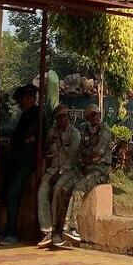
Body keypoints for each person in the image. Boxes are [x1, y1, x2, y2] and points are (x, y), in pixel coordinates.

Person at [54, 104, 114, 244]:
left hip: (100, 170)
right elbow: (81, 153)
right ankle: (60, 230)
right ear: (87, 118)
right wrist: (88, 156)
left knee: (79, 188)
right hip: (85, 168)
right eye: (91, 115)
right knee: (65, 188)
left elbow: (98, 153)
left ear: (99, 115)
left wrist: (89, 155)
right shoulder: (86, 130)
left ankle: (72, 227)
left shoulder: (104, 129)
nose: (94, 117)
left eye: (96, 114)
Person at [0, 84, 41, 246]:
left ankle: (11, 233)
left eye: (25, 99)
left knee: (13, 192)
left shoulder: (37, 114)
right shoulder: (25, 115)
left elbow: (25, 136)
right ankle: (6, 230)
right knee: (6, 192)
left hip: (27, 161)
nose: (23, 103)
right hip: (17, 159)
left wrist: (22, 140)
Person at [37, 104, 80, 247]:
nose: (62, 119)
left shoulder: (75, 134)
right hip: (53, 169)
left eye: (64, 116)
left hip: (68, 170)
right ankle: (47, 230)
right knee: (42, 191)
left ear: (69, 117)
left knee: (57, 190)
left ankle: (56, 228)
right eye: (59, 117)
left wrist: (60, 171)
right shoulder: (52, 132)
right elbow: (46, 150)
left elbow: (72, 158)